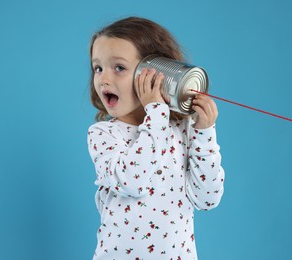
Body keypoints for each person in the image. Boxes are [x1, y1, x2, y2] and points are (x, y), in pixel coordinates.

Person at [87, 16, 225, 260]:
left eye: (118, 67)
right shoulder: (103, 135)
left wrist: (204, 132)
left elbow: (208, 199)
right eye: (98, 68)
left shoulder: (182, 129)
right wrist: (156, 113)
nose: (104, 79)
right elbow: (133, 180)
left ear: (157, 72)